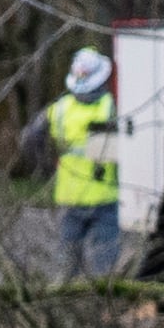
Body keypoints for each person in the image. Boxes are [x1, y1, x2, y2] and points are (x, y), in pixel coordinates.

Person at [38, 50, 120, 263]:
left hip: (69, 198)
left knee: (67, 266)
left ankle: (67, 296)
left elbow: (29, 138)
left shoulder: (59, 109)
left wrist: (44, 169)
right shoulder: (112, 107)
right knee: (106, 269)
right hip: (105, 198)